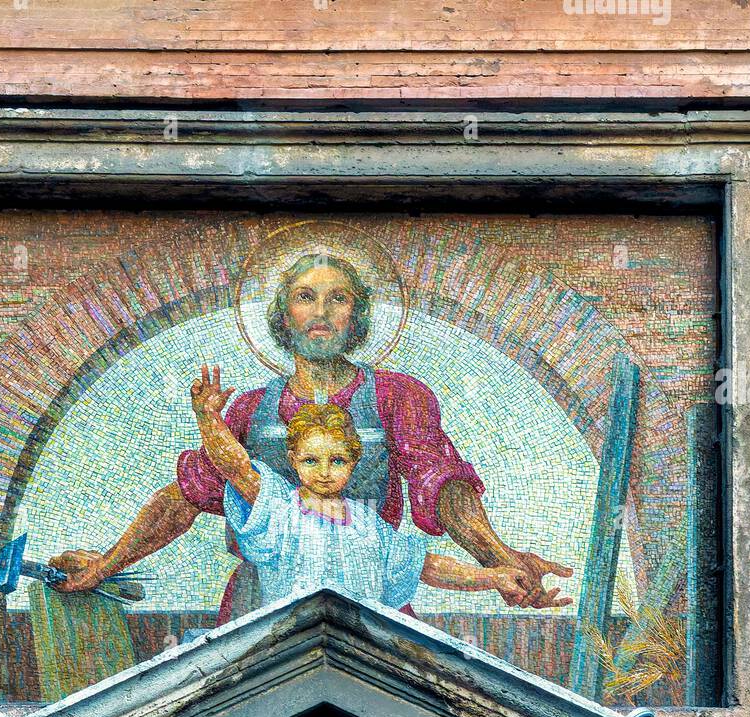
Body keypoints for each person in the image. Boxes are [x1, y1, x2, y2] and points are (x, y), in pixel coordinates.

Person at [52, 251, 572, 622]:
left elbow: (443, 487)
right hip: (262, 605)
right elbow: (185, 499)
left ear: (357, 314)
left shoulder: (397, 396)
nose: (320, 312)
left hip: (371, 591)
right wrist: (104, 567)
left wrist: (501, 562)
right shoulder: (251, 409)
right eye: (305, 297)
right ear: (285, 315)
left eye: (337, 298)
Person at [189, 370, 529, 611]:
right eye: (310, 460)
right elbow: (235, 465)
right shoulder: (278, 505)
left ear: (353, 462)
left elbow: (424, 566)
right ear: (293, 460)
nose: (323, 472)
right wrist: (208, 419)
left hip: (355, 645)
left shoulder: (368, 523)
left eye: (336, 460)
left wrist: (492, 576)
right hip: (292, 643)